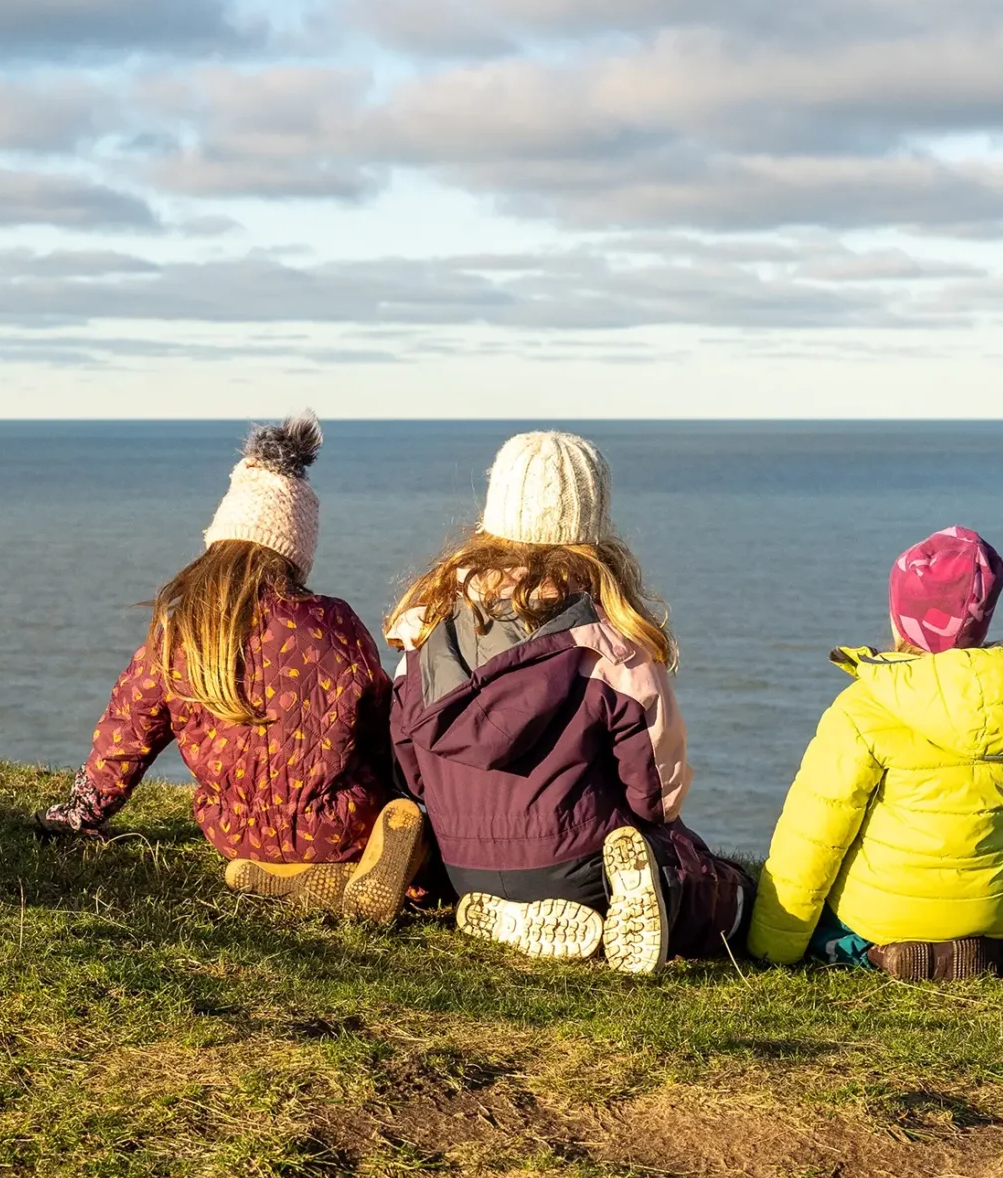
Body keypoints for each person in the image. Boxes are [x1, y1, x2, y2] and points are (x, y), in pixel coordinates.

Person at [385, 430, 749, 975]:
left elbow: (409, 772)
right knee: (711, 884)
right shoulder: (611, 646)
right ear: (592, 524)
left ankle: (506, 913)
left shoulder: (423, 633)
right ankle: (662, 903)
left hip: (464, 864)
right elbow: (657, 793)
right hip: (583, 865)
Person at [38, 416, 424, 925]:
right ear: (296, 553)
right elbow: (379, 725)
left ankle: (282, 875)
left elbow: (129, 729)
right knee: (409, 825)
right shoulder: (333, 622)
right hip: (338, 825)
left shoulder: (182, 631)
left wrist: (81, 812)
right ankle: (382, 871)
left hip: (234, 832)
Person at [744, 526, 1003, 987]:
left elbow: (813, 835)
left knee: (829, 931)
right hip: (987, 906)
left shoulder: (864, 709)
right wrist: (1000, 865)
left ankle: (882, 955)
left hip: (882, 913)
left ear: (900, 618)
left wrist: (772, 946)